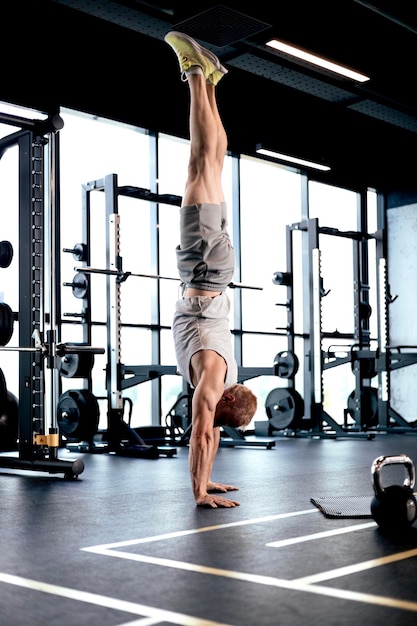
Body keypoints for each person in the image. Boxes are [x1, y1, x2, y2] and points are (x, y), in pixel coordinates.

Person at [165, 31, 258, 508]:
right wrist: (198, 493)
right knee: (200, 162)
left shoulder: (227, 378)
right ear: (225, 399)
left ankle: (215, 81)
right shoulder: (212, 378)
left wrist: (210, 480)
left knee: (215, 164)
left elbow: (212, 434)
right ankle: (196, 72)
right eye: (219, 413)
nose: (213, 420)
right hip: (202, 268)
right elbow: (203, 433)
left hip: (217, 271)